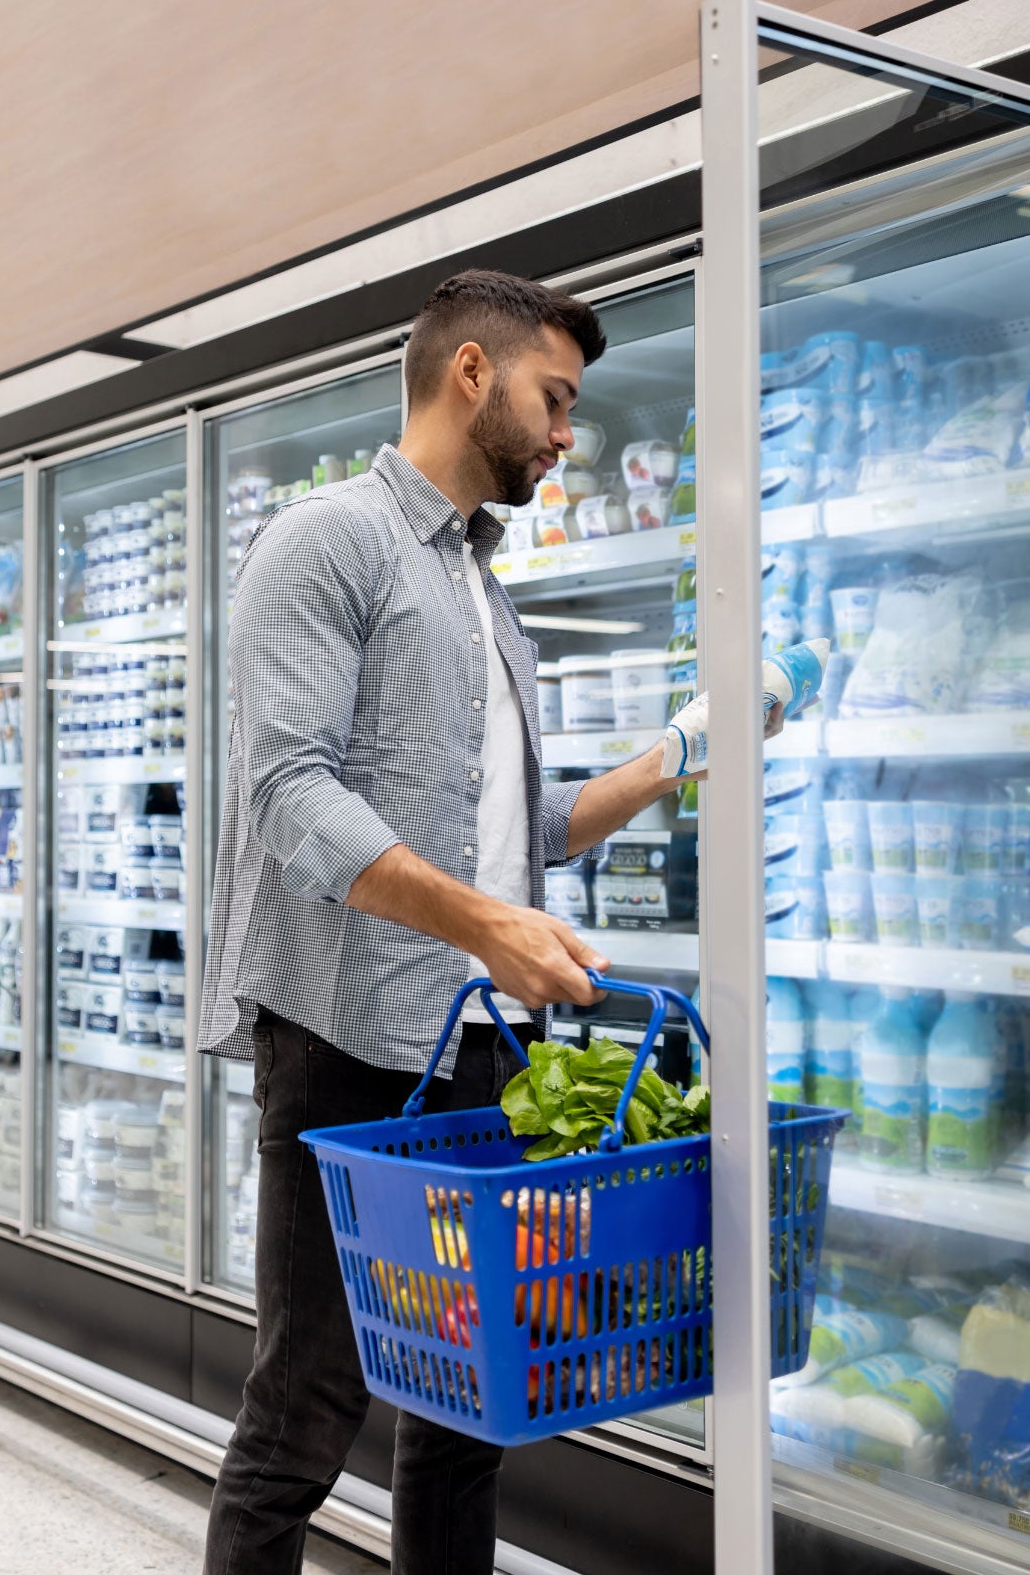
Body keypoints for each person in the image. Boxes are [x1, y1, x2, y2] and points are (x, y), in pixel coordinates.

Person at [198, 268, 817, 1574]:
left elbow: (513, 832)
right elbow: (289, 794)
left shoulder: (484, 590)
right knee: (308, 1400)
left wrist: (676, 759)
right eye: (554, 397)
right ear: (470, 374)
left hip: (472, 1043)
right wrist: (488, 927)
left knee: (465, 1409)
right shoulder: (331, 542)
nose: (564, 432)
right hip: (345, 1039)